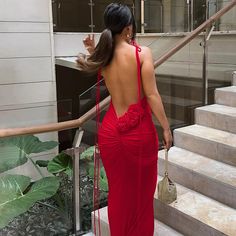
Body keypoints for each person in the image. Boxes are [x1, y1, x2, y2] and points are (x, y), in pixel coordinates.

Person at [77, 3, 172, 236]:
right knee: (140, 194)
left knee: (119, 193)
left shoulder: (103, 56)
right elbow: (151, 94)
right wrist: (167, 128)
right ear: (129, 29)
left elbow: (106, 69)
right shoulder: (142, 54)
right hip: (137, 133)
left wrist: (91, 49)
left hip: (110, 132)